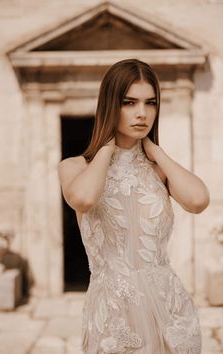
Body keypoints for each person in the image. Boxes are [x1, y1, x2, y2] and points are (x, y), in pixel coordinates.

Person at [58, 58, 209, 354]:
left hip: (170, 310)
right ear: (110, 105)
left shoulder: (159, 169)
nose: (142, 113)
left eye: (150, 103)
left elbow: (198, 200)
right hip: (114, 314)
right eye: (129, 102)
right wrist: (106, 147)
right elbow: (84, 199)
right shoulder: (75, 167)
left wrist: (156, 151)